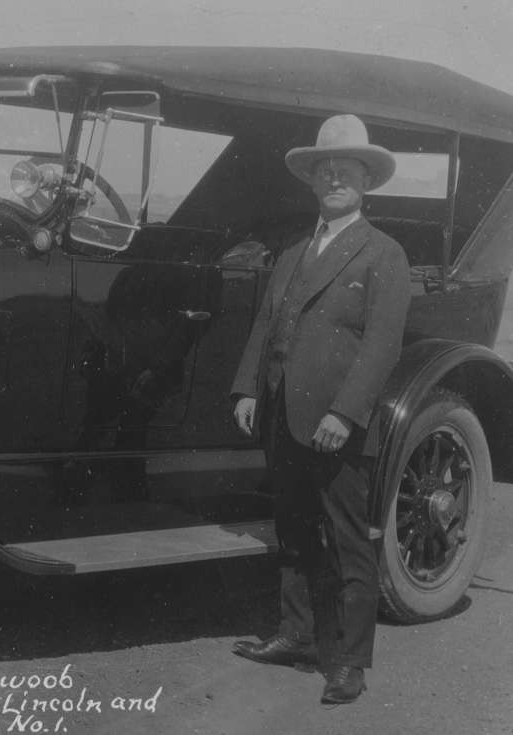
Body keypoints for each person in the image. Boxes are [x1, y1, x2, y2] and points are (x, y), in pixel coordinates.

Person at [228, 114, 411, 704]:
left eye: (346, 171)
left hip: (336, 424)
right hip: (283, 414)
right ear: (311, 182)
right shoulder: (291, 252)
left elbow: (383, 346)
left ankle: (351, 663)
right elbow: (267, 323)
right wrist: (249, 390)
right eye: (324, 170)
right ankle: (298, 636)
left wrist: (344, 413)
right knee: (293, 531)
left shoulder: (384, 253)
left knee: (350, 541)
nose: (334, 178)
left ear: (366, 183)